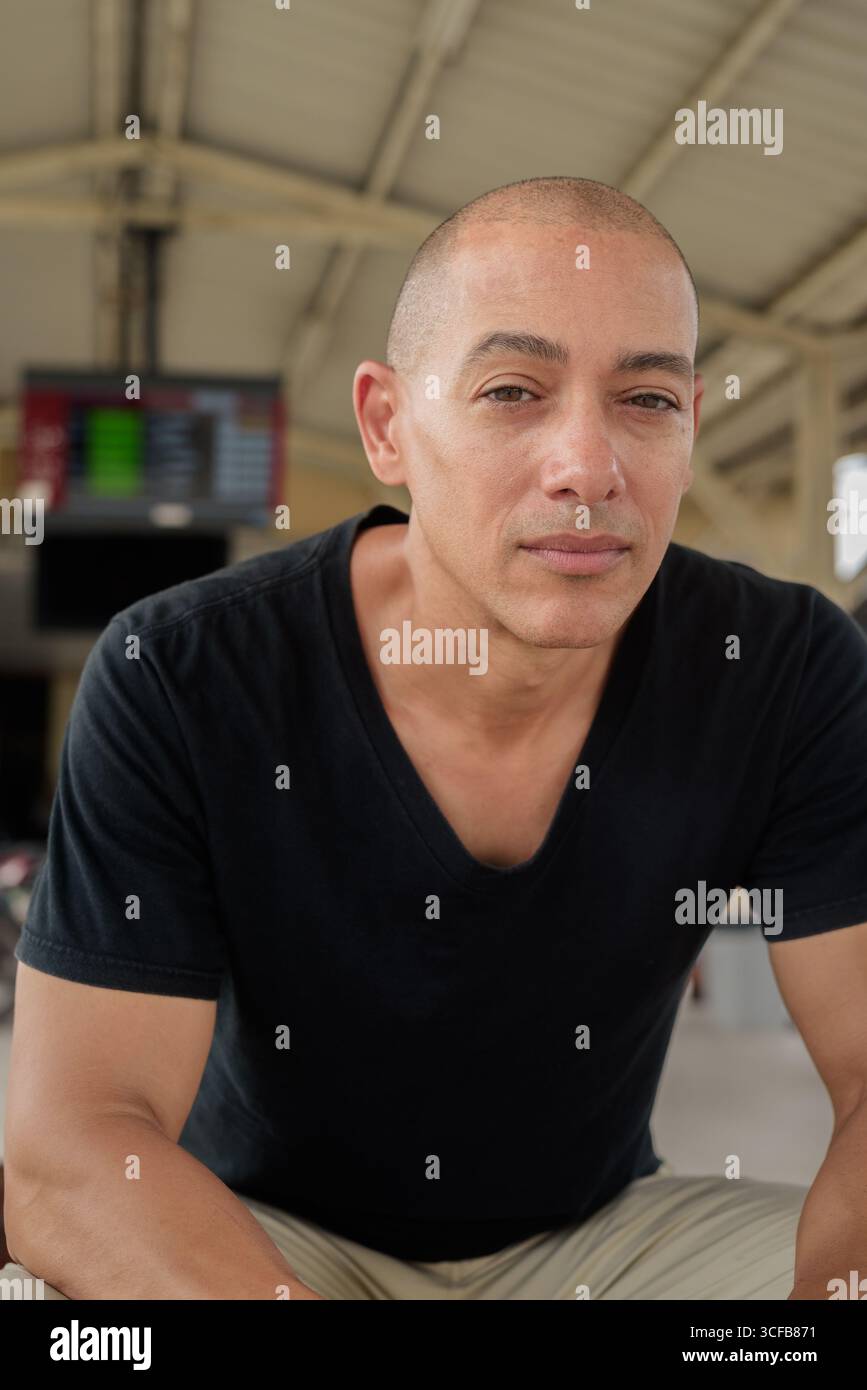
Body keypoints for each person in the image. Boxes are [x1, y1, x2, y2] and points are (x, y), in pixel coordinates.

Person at [4, 177, 867, 1301]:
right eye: (514, 389)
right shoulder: (179, 672)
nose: (587, 468)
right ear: (386, 425)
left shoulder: (784, 664)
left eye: (647, 399)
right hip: (265, 1244)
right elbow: (72, 1148)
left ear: (693, 425)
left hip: (607, 1249)